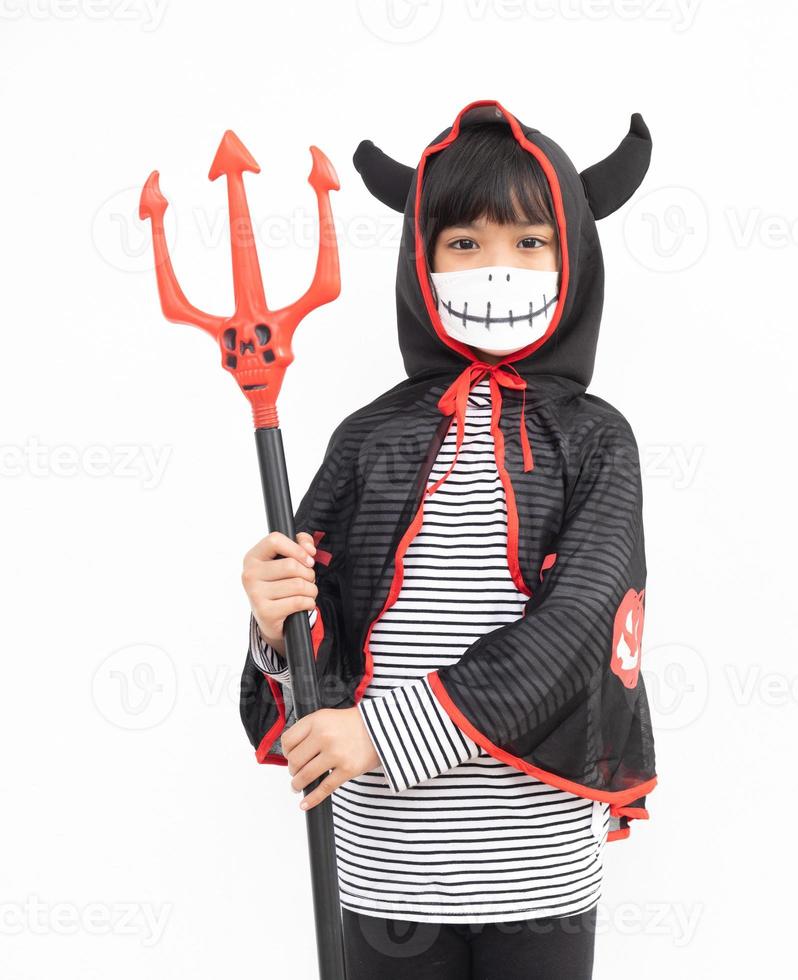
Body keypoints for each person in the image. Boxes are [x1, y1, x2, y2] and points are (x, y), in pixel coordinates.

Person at [237, 100, 657, 979]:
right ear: (421, 264)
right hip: (388, 866)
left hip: (535, 870)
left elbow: (575, 628)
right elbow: (322, 622)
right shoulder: (368, 438)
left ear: (573, 258)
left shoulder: (596, 441)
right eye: (464, 243)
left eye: (529, 242)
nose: (496, 269)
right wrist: (277, 628)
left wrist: (383, 734)